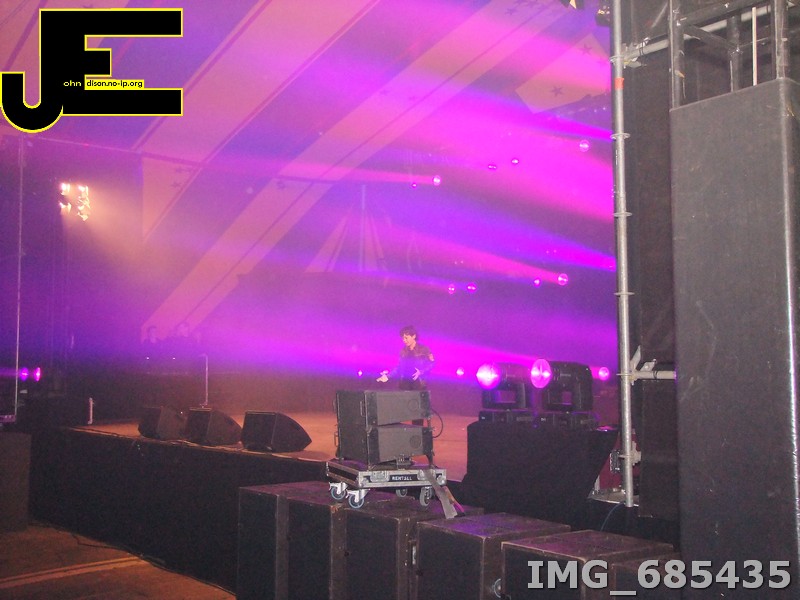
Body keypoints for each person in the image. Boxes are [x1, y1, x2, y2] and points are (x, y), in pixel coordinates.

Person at [376, 325, 435, 390]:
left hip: (419, 385)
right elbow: (399, 367)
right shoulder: (403, 351)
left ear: (413, 336)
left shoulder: (424, 349)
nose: (404, 340)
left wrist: (421, 371)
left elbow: (431, 364)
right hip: (404, 384)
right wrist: (388, 376)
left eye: (406, 338)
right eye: (403, 338)